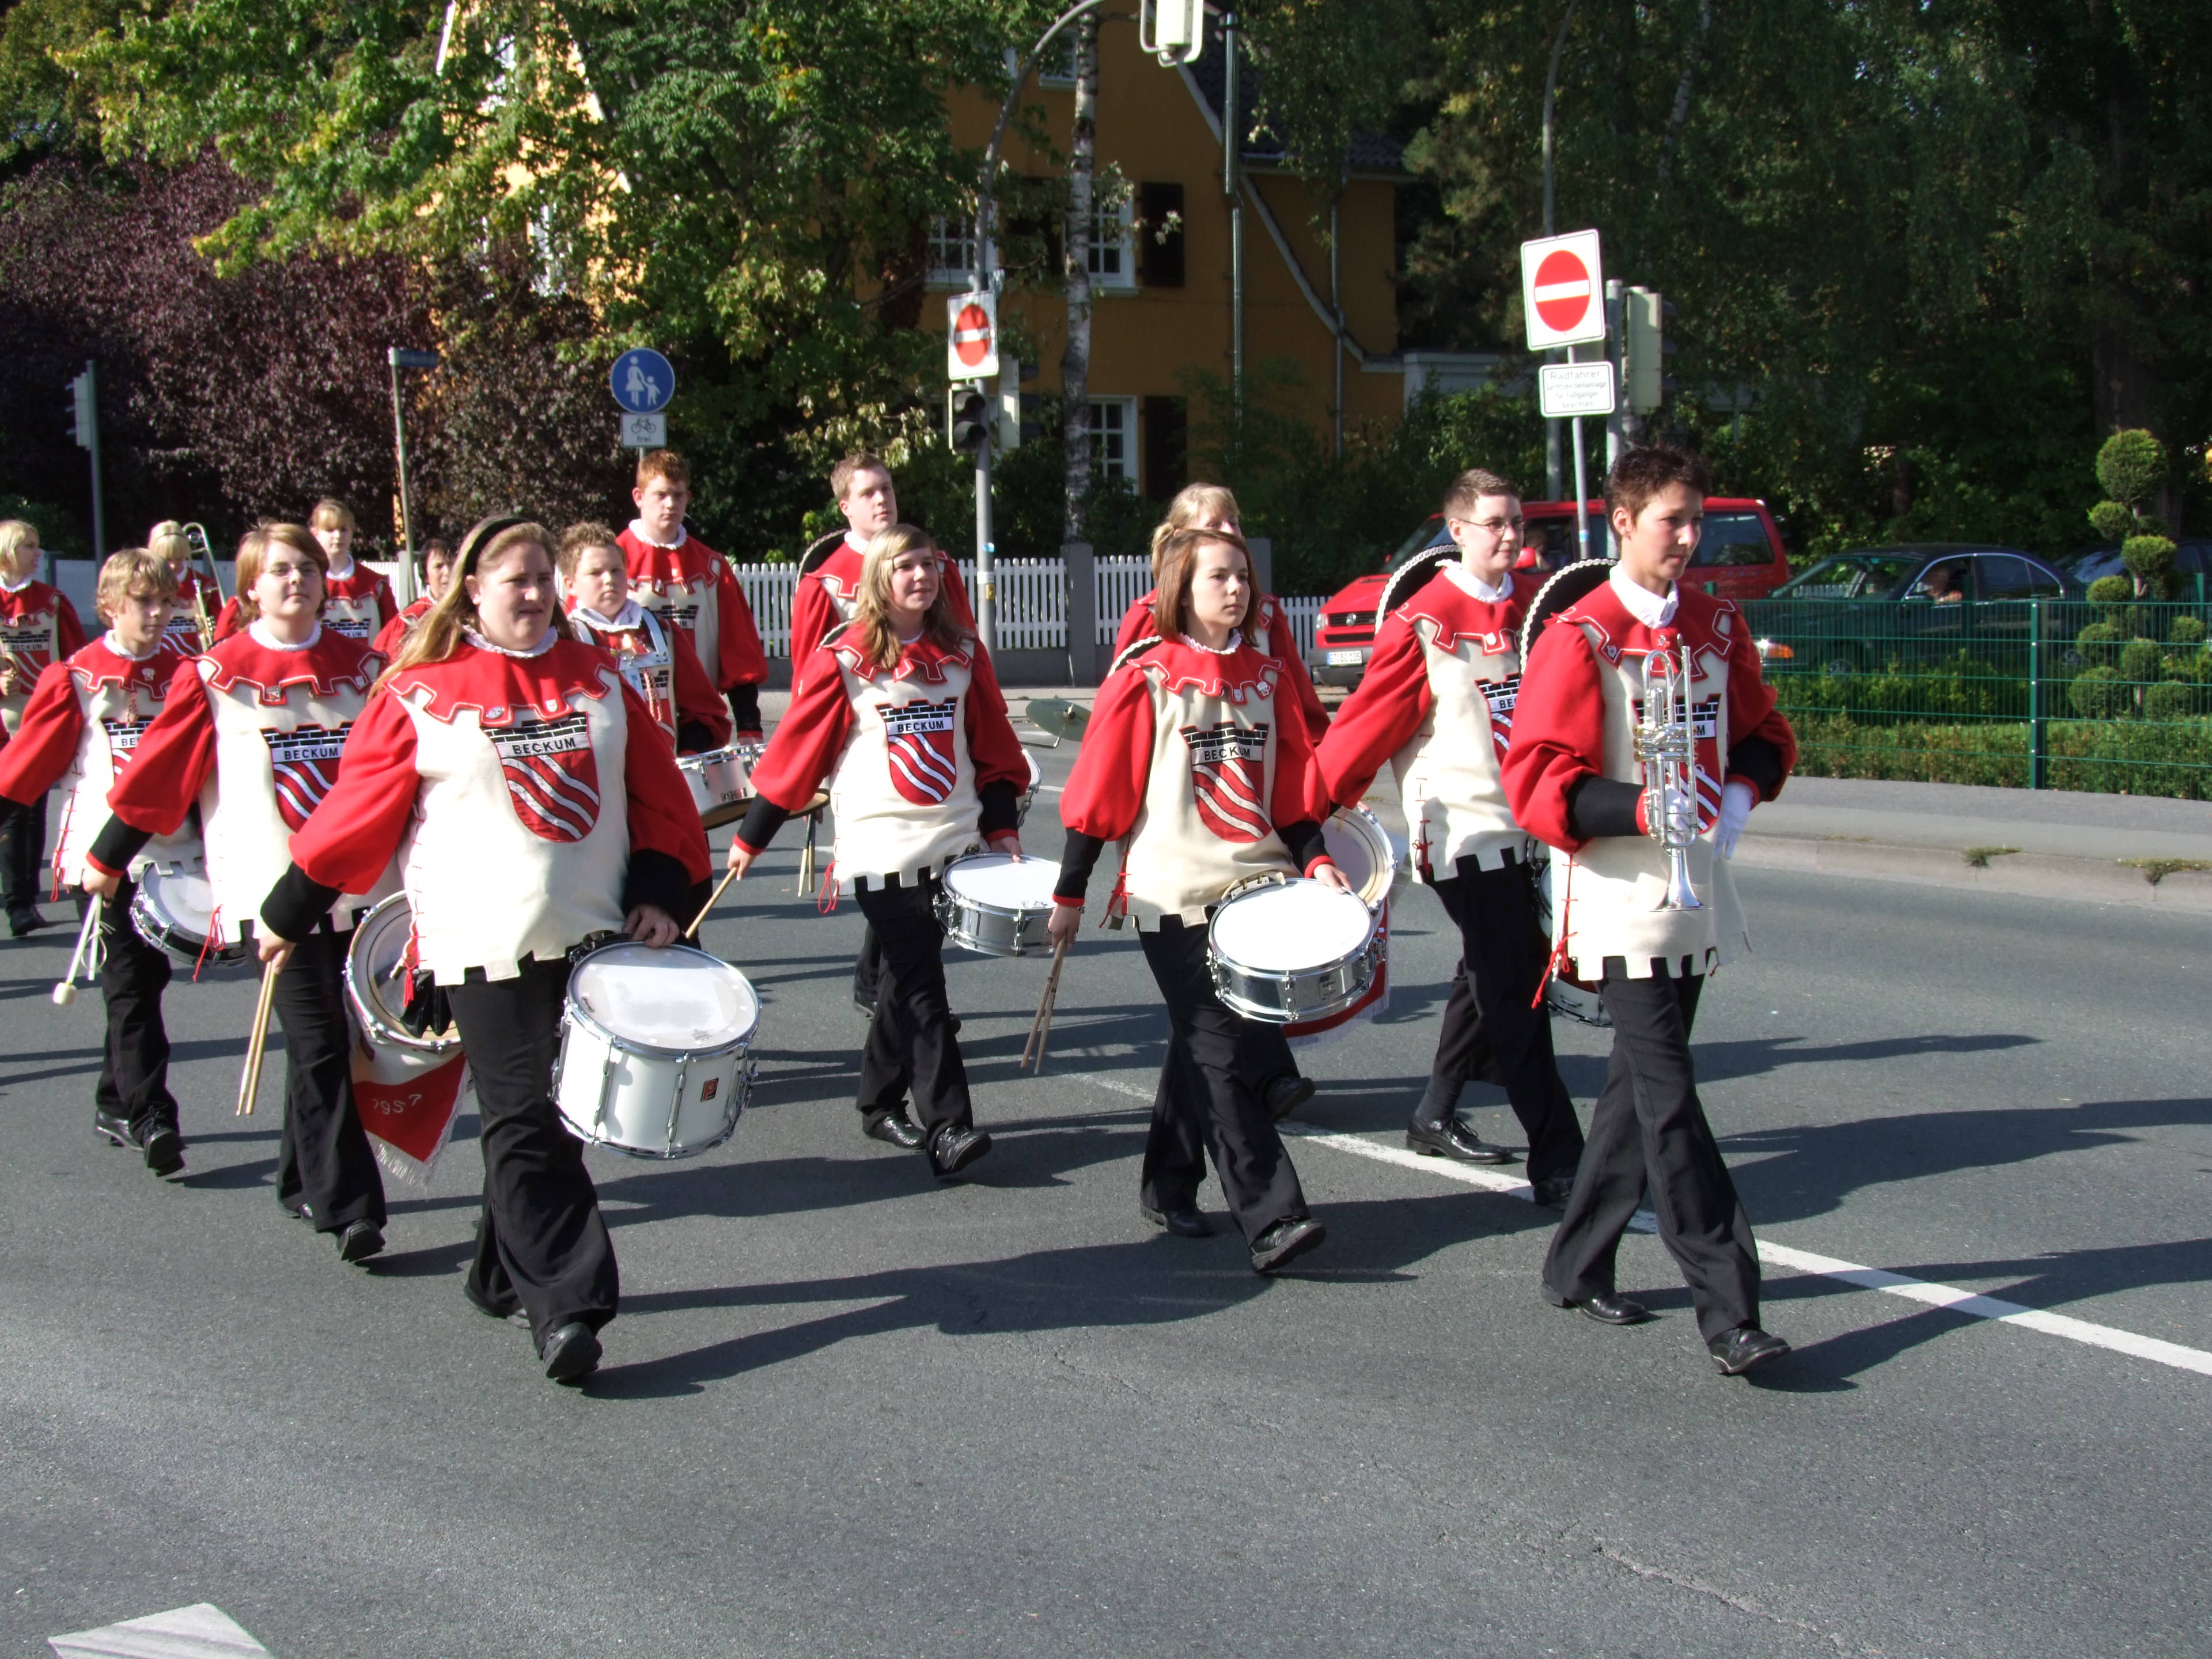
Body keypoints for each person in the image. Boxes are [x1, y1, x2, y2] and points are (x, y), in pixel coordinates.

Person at [259, 516, 710, 1384]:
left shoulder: (598, 676)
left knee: (564, 1116)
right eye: (515, 580)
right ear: (472, 589)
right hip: (480, 942)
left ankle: (499, 1271)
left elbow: (657, 794)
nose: (534, 594)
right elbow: (354, 814)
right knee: (523, 1113)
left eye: (543, 578)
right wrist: (289, 911)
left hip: (591, 934)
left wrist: (662, 892)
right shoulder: (418, 691)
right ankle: (568, 1304)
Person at [1503, 444, 1798, 1377]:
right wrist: (1638, 809)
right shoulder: (1581, 634)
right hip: (1618, 895)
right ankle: (1731, 1310)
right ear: (1624, 522)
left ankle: (1575, 1263)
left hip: (1694, 892)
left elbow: (1761, 732)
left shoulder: (1716, 625)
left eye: (1697, 520)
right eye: (1673, 520)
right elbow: (1536, 778)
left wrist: (1741, 794)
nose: (1690, 537)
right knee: (1672, 1101)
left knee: (1637, 1093)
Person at [89, 524, 394, 1263]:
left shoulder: (367, 668)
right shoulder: (216, 675)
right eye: (280, 569)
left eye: (308, 567)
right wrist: (107, 857)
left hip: (359, 887)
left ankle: (299, 1176)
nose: (297, 580)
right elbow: (159, 774)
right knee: (320, 1039)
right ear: (251, 586)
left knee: (341, 1040)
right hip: (272, 894)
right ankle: (349, 1206)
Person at [1048, 525, 1346, 1274]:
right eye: (1219, 577)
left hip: (1258, 891)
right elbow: (1101, 790)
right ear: (1181, 590)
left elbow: (1291, 791)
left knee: (1202, 1043)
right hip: (1173, 893)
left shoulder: (1268, 677)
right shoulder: (1144, 675)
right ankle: (1273, 1215)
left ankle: (1169, 1181)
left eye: (1243, 576)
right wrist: (1071, 889)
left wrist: (1316, 861)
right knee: (1219, 1050)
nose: (1237, 589)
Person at [725, 525, 1025, 1177]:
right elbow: (799, 749)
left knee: (905, 976)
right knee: (923, 982)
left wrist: (1002, 828)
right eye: (906, 566)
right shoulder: (843, 655)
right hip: (878, 845)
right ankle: (949, 1125)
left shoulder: (963, 651)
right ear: (879, 578)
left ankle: (878, 1100)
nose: (921, 576)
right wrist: (753, 834)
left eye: (929, 564)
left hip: (954, 839)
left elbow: (993, 744)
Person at [1318, 468, 1585, 1199]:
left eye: (1516, 521)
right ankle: (1560, 1159)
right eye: (1494, 523)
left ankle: (1434, 1113)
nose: (1510, 535)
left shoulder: (1538, 606)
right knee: (1516, 988)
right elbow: (1365, 726)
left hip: (1533, 829)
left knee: (1489, 969)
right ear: (1457, 531)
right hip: (1462, 835)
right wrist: (1308, 824)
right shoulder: (1424, 621)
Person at [1109, 484, 1319, 1123]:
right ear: (1179, 543)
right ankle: (1271, 1083)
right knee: (1207, 1004)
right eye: (1213, 525)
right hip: (1183, 825)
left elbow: (1295, 701)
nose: (1229, 533)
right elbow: (1127, 724)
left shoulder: (1265, 614)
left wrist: (1321, 782)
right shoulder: (1150, 623)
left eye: (1234, 522)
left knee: (1206, 1013)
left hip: (1251, 819)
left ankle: (1174, 1166)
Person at [0, 550, 195, 1173]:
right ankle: (151, 1114)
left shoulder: (189, 673)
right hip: (103, 859)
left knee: (146, 981)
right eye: (144, 602)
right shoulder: (77, 677)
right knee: (131, 985)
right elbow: (25, 766)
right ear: (109, 606)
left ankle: (115, 1100)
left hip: (173, 853)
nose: (158, 613)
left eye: (166, 601)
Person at [790, 453, 974, 1019]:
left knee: (922, 884)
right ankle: (901, 1000)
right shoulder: (824, 580)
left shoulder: (935, 564)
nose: (882, 500)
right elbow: (810, 679)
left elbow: (959, 640)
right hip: (869, 749)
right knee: (892, 877)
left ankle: (893, 996)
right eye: (868, 492)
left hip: (931, 740)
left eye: (887, 488)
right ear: (845, 506)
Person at [618, 450, 769, 742]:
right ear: (639, 497)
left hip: (700, 722)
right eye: (660, 495)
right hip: (631, 721)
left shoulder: (713, 568)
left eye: (678, 495)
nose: (670, 504)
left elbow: (739, 649)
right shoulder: (610, 564)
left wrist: (749, 725)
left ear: (688, 497)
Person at [558, 522, 731, 755]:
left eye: (616, 570)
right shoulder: (564, 643)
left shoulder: (663, 632)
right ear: (571, 585)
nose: (609, 580)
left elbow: (702, 709)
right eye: (595, 573)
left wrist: (687, 754)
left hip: (665, 766)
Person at [0, 518, 88, 935]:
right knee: (14, 810)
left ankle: (23, 900)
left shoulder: (52, 601)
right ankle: (17, 902)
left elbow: (76, 658)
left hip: (38, 721)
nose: (37, 554)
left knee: (32, 811)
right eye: (29, 546)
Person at [370, 536, 457, 658]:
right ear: (426, 576)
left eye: (452, 564)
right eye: (439, 566)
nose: (447, 572)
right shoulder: (412, 619)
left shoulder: (473, 612)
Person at [146, 521, 222, 654]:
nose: (174, 565)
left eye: (179, 558)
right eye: (168, 559)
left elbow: (222, 626)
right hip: (155, 656)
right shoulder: (143, 585)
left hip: (196, 656)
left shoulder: (206, 586)